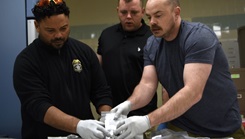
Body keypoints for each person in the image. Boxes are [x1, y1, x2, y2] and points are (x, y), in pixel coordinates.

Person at [111, 0, 245, 138]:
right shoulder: (152, 44)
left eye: (158, 15)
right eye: (149, 17)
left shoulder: (198, 37)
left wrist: (147, 120)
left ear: (176, 12)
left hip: (220, 129)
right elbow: (147, 84)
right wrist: (128, 104)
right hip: (181, 127)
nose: (152, 22)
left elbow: (193, 92)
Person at [13, 0, 113, 138]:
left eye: (64, 28)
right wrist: (78, 125)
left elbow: (101, 91)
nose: (59, 35)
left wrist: (106, 118)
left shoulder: (84, 52)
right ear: (37, 25)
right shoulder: (26, 61)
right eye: (50, 30)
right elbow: (39, 106)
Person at [97, 0, 157, 118]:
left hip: (142, 114)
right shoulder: (106, 35)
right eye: (124, 12)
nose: (128, 17)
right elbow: (97, 74)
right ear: (117, 11)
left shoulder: (152, 38)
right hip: (110, 112)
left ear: (143, 12)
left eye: (134, 12)